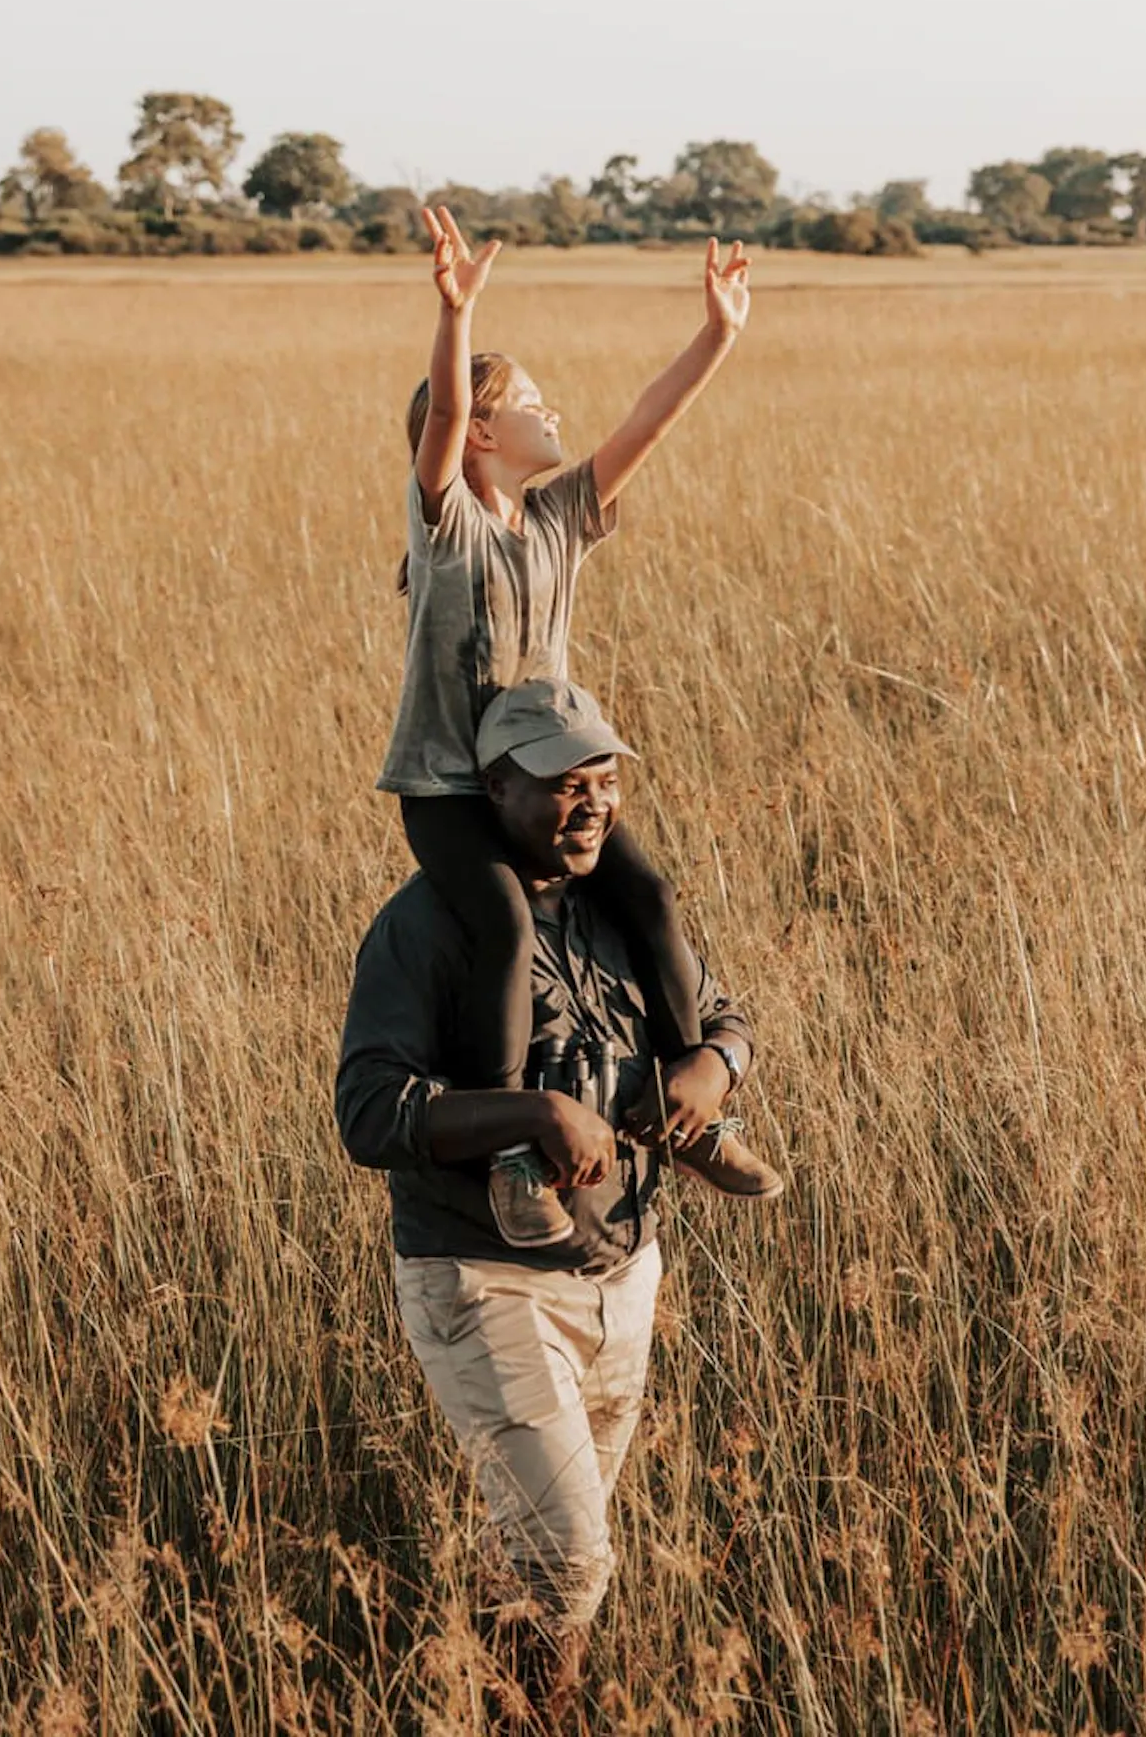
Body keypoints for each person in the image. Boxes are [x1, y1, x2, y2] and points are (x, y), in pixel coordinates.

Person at [336, 676, 775, 1720]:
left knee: (538, 1566)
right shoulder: (427, 928)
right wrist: (531, 1114)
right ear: (494, 790)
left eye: (606, 781)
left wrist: (711, 1071)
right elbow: (368, 1111)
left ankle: (493, 1707)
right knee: (569, 1560)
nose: (590, 805)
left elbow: (724, 1017)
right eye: (560, 786)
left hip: (623, 1280)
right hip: (484, 1282)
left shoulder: (617, 912)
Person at [382, 206, 766, 1195]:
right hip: (454, 788)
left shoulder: (559, 519)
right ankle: (512, 1149)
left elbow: (646, 421)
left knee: (647, 895)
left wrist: (718, 337)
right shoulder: (449, 527)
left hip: (552, 777)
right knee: (506, 927)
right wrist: (456, 313)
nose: (553, 416)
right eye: (531, 404)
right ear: (482, 435)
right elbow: (439, 423)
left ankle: (693, 1113)